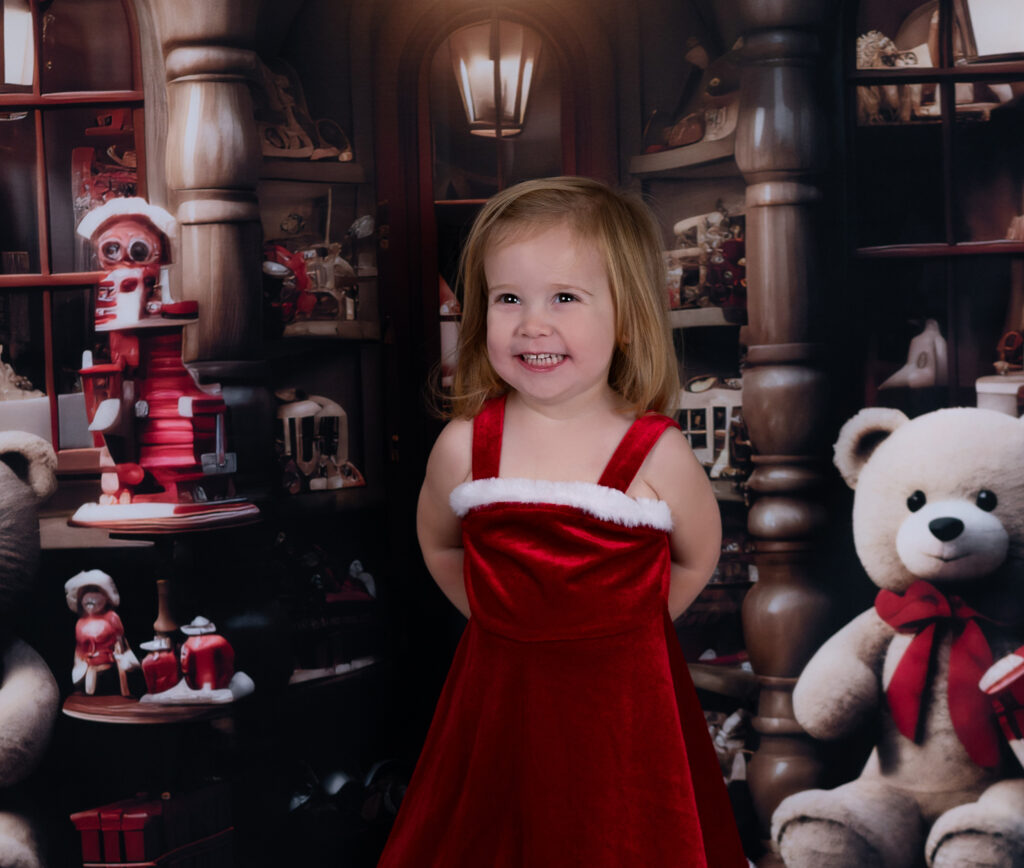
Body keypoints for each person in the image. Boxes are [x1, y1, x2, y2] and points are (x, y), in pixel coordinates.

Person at [378, 176, 747, 866]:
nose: (531, 325)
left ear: (629, 317)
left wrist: (625, 628)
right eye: (508, 299)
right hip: (498, 698)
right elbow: (437, 542)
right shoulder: (466, 445)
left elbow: (698, 554)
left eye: (565, 299)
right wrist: (503, 620)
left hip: (625, 704)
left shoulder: (654, 449)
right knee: (495, 832)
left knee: (622, 833)